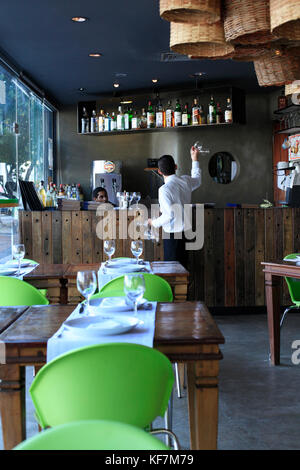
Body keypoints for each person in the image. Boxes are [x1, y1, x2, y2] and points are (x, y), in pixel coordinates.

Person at [148, 146, 201, 265]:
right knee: (183, 270)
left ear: (159, 171)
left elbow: (168, 215)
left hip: (173, 236)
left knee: (173, 271)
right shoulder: (186, 181)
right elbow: (197, 180)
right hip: (186, 233)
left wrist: (153, 222)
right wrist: (194, 159)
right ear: (176, 167)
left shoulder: (164, 189)